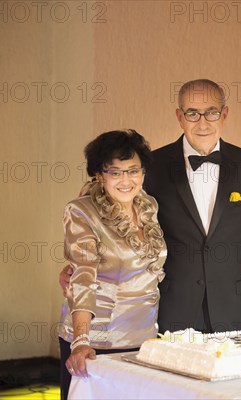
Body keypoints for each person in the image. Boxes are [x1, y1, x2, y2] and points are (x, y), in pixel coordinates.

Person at [62, 79, 241, 334]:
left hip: (236, 311)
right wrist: (77, 265)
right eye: (192, 113)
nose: (203, 123)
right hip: (171, 311)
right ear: (179, 116)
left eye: (211, 112)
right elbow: (116, 224)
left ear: (224, 114)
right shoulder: (151, 166)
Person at [58, 129, 167, 400]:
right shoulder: (81, 211)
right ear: (99, 174)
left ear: (143, 172)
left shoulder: (148, 206)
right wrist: (81, 342)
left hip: (143, 339)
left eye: (133, 170)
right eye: (115, 172)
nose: (125, 180)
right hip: (99, 340)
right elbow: (83, 277)